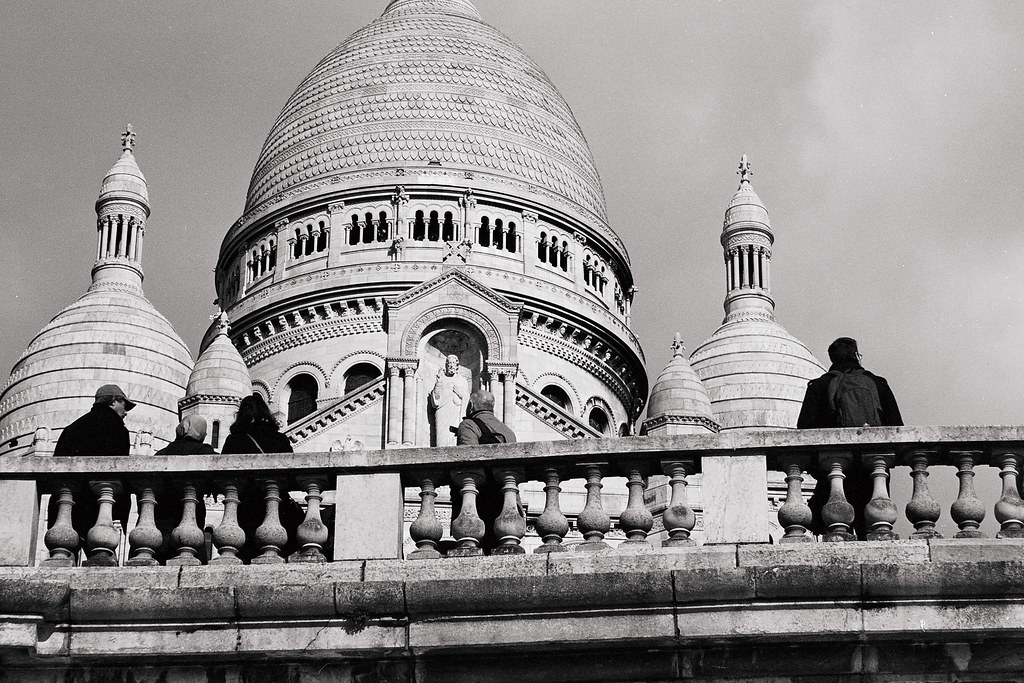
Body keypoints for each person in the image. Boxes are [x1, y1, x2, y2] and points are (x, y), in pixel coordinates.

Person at [797, 337, 903, 539]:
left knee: (837, 532)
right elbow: (897, 428)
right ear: (856, 355)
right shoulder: (877, 383)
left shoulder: (820, 385)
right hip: (872, 471)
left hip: (835, 471)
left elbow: (803, 431)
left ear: (832, 359)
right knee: (873, 529)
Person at [47, 384, 136, 545]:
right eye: (125, 405)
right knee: (100, 555)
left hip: (67, 507)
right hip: (97, 506)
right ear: (114, 401)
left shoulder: (71, 429)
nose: (126, 411)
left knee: (65, 554)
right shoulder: (117, 429)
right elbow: (117, 471)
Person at [221, 394, 298, 560]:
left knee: (245, 553)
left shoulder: (234, 440)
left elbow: (223, 474)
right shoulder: (279, 439)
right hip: (275, 505)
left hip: (245, 506)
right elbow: (291, 474)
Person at [453, 390, 517, 553]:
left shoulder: (468, 426)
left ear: (471, 406)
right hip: (505, 500)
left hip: (480, 500)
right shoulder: (508, 432)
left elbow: (467, 463)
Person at [153, 415, 216, 563]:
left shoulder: (161, 454)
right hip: (189, 520)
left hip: (160, 520)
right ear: (200, 434)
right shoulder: (204, 451)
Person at [430, 354, 469, 446]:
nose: (451, 365)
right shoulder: (441, 378)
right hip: (442, 411)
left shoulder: (462, 380)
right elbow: (436, 400)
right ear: (446, 365)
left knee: (454, 436)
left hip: (456, 411)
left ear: (457, 366)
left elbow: (467, 397)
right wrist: (438, 383)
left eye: (453, 363)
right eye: (449, 363)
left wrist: (461, 393)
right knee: (441, 437)